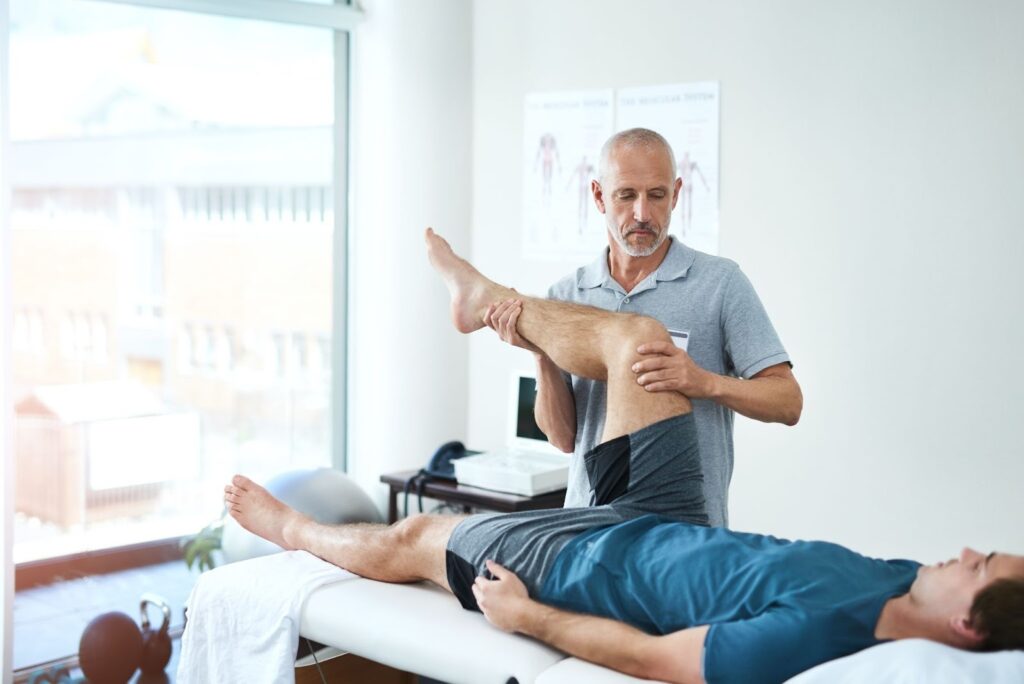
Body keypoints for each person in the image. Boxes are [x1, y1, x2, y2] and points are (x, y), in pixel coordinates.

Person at [223, 230, 1024, 684]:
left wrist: (529, 617)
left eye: (979, 562)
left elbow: (656, 659)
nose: (962, 551)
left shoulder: (819, 636)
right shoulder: (899, 576)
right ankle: (484, 300)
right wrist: (543, 350)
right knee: (636, 338)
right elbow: (562, 433)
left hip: (595, 559)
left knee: (421, 538)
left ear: (962, 622)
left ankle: (292, 528)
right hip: (663, 515)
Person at [486, 127, 802, 527]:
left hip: (685, 529)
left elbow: (788, 401)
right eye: (626, 195)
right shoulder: (566, 295)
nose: (642, 214)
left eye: (656, 195)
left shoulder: (720, 284)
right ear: (600, 196)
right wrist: (540, 349)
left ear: (676, 193)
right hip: (589, 525)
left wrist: (703, 381)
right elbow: (563, 438)